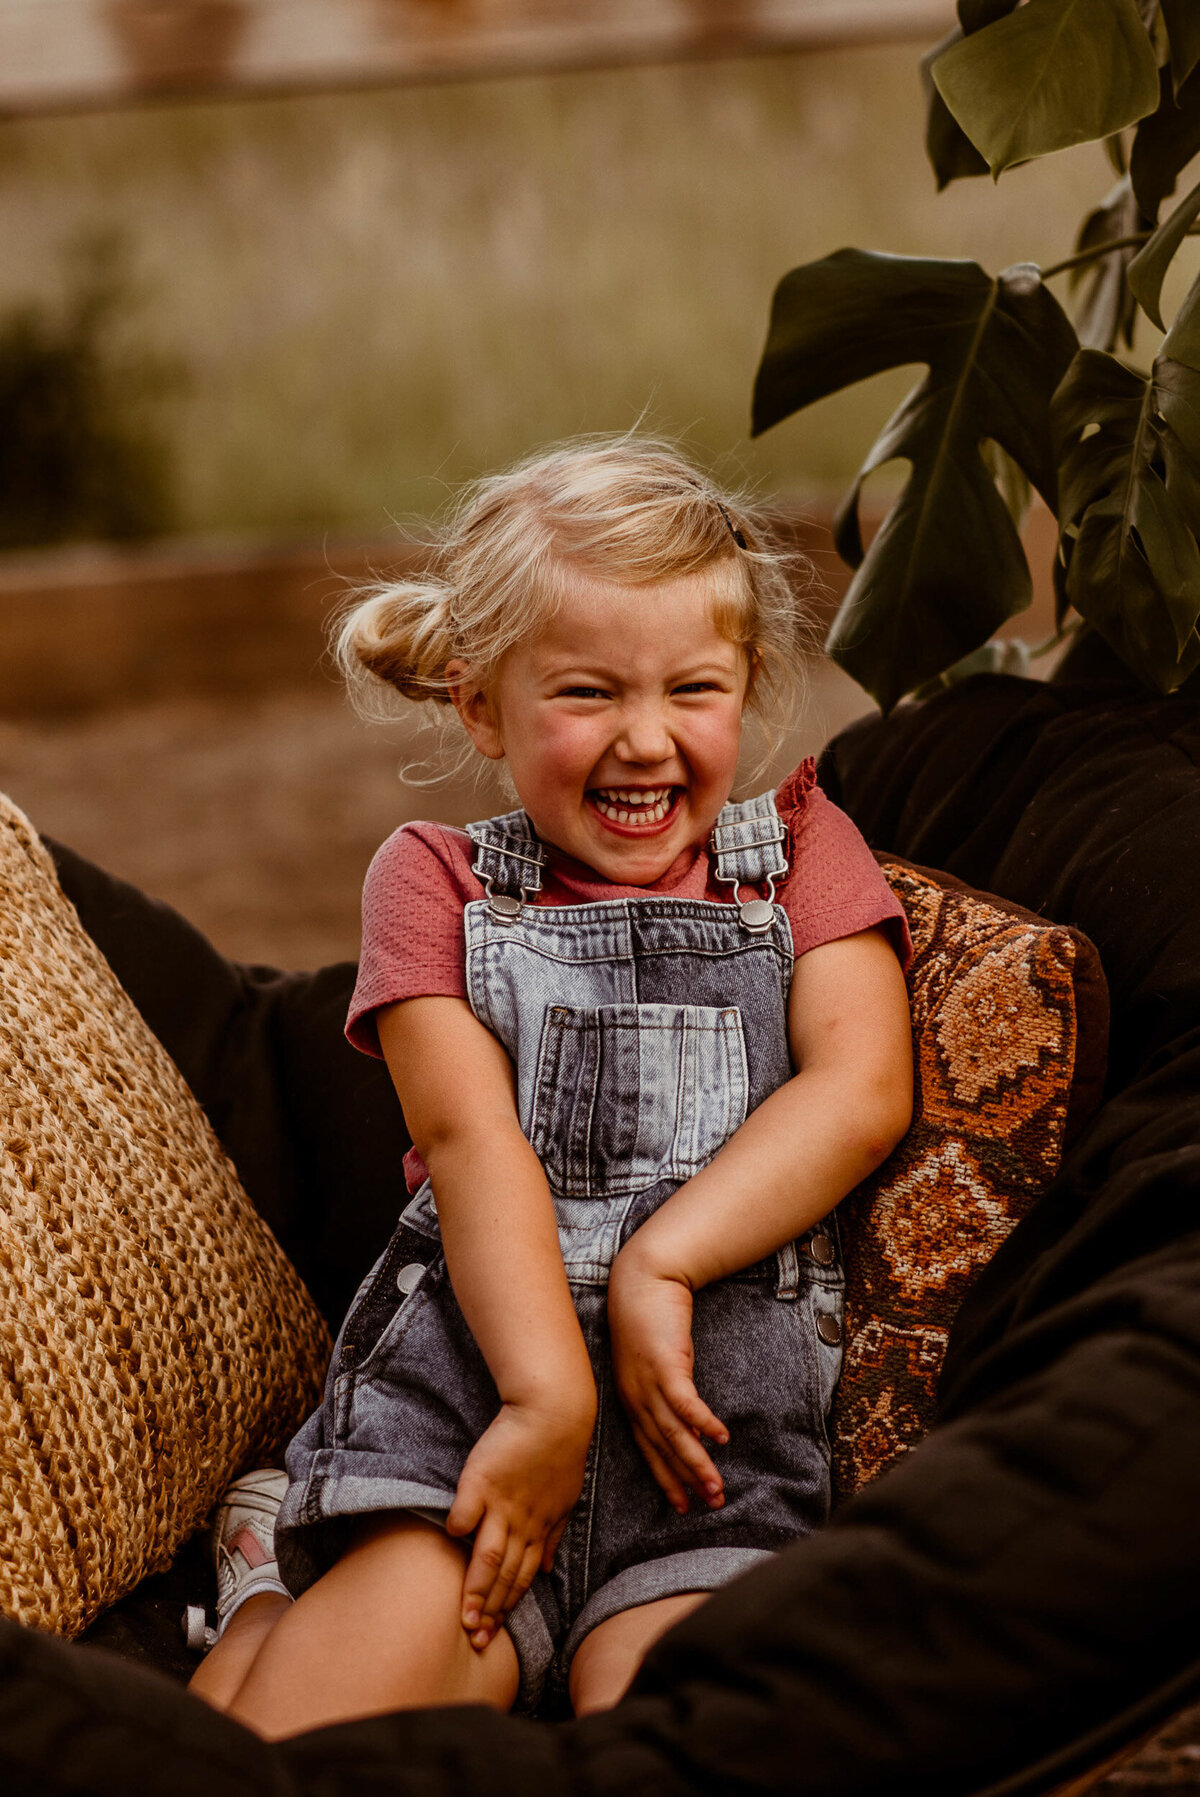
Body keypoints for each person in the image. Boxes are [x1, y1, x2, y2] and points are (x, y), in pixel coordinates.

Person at [187, 435, 914, 1739]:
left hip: (711, 1478)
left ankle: (273, 1587)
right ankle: (264, 1596)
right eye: (585, 692)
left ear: (747, 687)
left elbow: (862, 1087)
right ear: (482, 705)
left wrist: (661, 1264)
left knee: (673, 1739)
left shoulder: (802, 855)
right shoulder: (438, 885)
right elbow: (472, 1147)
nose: (645, 740)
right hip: (475, 1440)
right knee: (274, 1748)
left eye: (693, 686)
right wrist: (548, 1396)